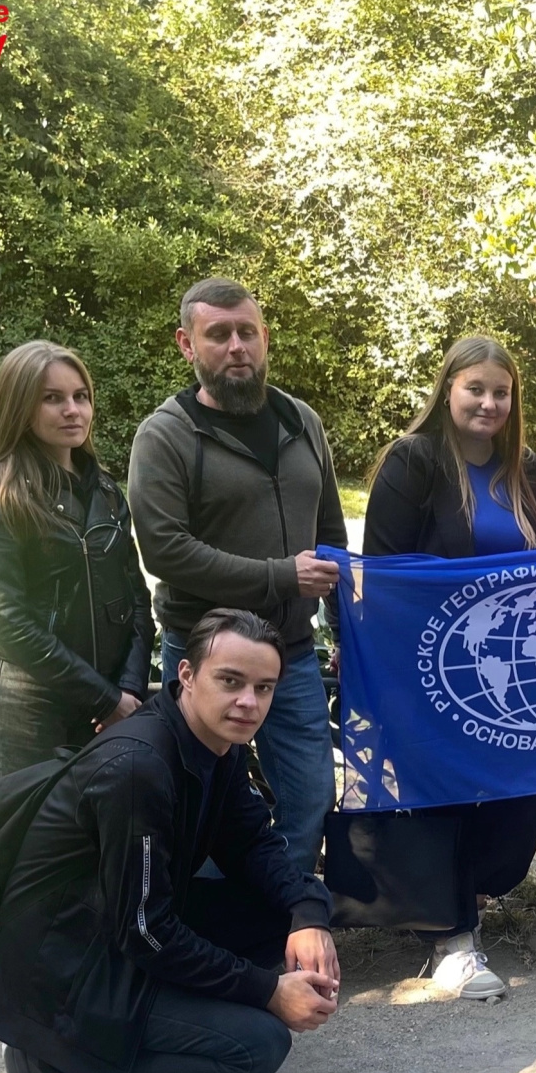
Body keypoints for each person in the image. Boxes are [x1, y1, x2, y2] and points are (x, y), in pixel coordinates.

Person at [0, 609, 339, 1073]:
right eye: (231, 681)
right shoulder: (139, 768)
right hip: (66, 966)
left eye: (263, 687)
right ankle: (51, 1055)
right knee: (256, 1048)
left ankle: (152, 1032)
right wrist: (267, 991)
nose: (248, 702)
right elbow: (145, 932)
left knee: (280, 915)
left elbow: (253, 844)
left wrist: (308, 912)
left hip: (121, 929)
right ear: (187, 674)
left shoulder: (216, 744)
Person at [128, 277, 349, 873]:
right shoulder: (165, 435)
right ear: (187, 344)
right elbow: (165, 551)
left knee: (309, 797)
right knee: (197, 803)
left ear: (265, 338)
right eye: (218, 334)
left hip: (291, 654)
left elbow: (330, 535)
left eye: (247, 332)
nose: (236, 347)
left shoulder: (302, 421)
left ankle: (281, 911)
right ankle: (202, 918)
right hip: (205, 656)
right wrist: (281, 576)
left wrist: (346, 629)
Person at [361, 335, 536, 1001]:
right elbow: (383, 575)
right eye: (476, 389)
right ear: (448, 390)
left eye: (501, 392)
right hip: (429, 668)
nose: (489, 403)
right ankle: (452, 941)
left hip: (514, 671)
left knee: (532, 789)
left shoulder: (525, 469)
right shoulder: (412, 461)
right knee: (439, 794)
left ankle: (459, 892)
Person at [0, 341, 154, 811]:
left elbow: (137, 599)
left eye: (80, 396)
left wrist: (128, 690)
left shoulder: (105, 491)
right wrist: (105, 699)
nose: (72, 410)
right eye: (52, 398)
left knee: (99, 839)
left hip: (108, 702)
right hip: (27, 707)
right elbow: (11, 624)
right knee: (21, 842)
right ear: (19, 407)